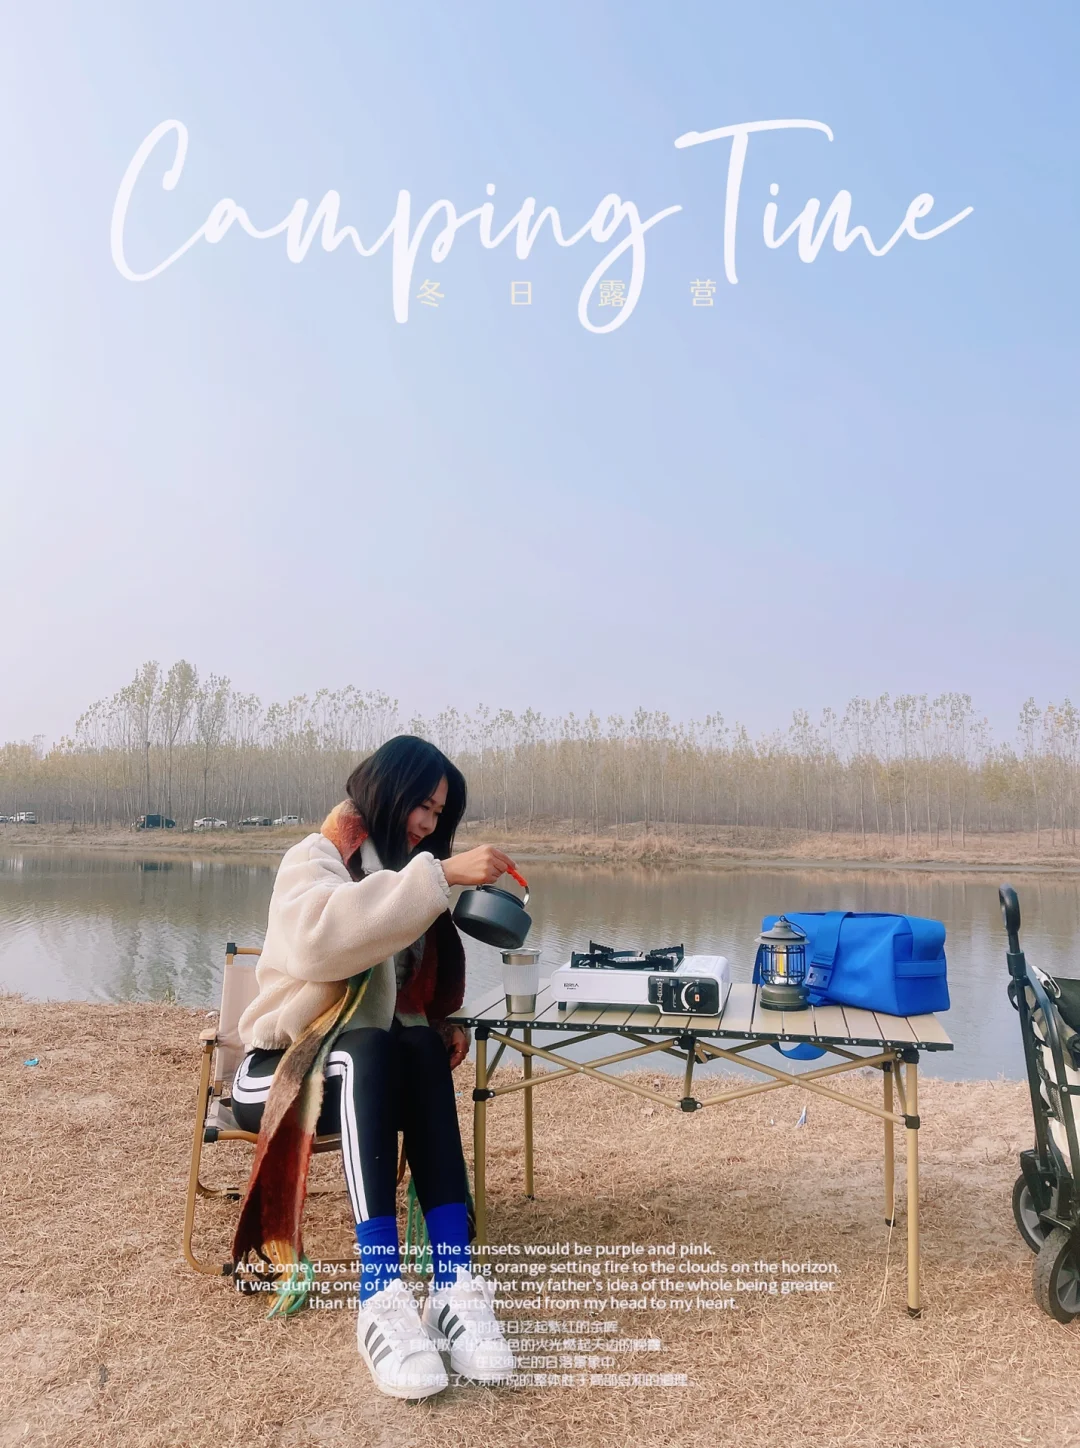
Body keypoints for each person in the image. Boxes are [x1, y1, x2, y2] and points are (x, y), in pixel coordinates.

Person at [231, 735, 519, 1399]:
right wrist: (440, 876)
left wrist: (442, 1023)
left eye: (439, 814)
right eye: (422, 805)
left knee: (415, 1047)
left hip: (368, 1073)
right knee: (366, 1049)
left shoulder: (406, 873)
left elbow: (404, 999)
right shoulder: (316, 857)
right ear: (388, 791)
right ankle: (381, 1293)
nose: (429, 823)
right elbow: (322, 939)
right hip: (281, 1070)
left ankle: (452, 1284)